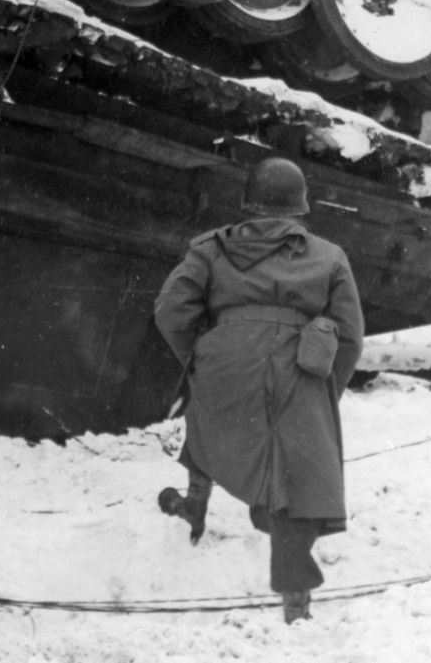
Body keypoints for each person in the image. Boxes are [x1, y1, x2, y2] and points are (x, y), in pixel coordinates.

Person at [152, 156, 364, 624]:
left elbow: (170, 310)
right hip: (299, 370)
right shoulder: (329, 257)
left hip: (223, 361)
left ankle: (194, 506)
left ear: (249, 203)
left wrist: (205, 355)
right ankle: (295, 602)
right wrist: (324, 394)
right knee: (296, 478)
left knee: (204, 420)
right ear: (300, 207)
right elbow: (349, 336)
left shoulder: (210, 250)